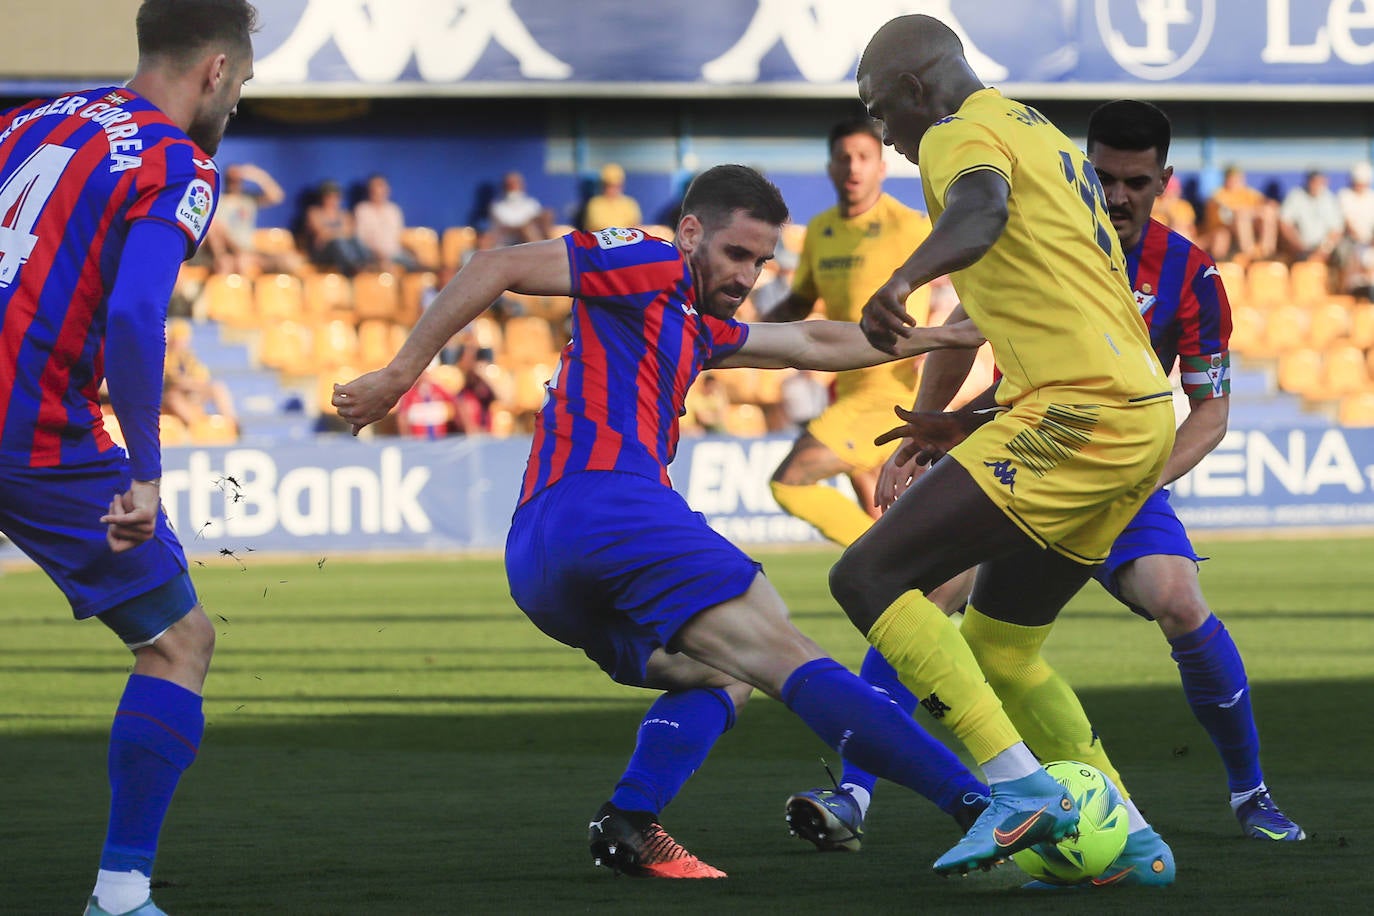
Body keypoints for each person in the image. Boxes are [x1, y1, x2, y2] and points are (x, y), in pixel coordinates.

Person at [333, 164, 995, 879]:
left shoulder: (695, 325)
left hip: (540, 555)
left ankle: (631, 817)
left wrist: (939, 339)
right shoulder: (648, 261)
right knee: (786, 653)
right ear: (689, 232)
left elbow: (811, 343)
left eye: (762, 261)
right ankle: (984, 805)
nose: (748, 275)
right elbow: (497, 263)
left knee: (719, 675)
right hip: (612, 506)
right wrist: (401, 373)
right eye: (736, 254)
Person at [793, 98, 1306, 861]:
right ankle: (858, 790)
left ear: (1163, 180)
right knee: (926, 590)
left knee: (1177, 598)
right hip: (1030, 451)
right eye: (1103, 177)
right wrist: (929, 421)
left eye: (1136, 182)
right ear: (1082, 169)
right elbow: (967, 331)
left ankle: (1249, 791)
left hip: (1122, 468)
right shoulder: (1040, 235)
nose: (1118, 195)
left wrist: (1140, 479)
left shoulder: (1190, 274)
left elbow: (1210, 412)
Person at [821, 15, 1180, 879]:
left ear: (915, 90)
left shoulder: (955, 134)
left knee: (864, 577)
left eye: (878, 111)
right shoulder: (1037, 130)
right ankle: (1132, 838)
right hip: (1134, 412)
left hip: (1078, 412)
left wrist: (902, 279)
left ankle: (1016, 788)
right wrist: (969, 418)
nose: (881, 134)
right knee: (1003, 648)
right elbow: (1054, 297)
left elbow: (980, 212)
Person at [0, 3, 257, 915]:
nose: (236, 106)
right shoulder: (176, 161)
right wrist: (146, 471)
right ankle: (119, 892)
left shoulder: (32, 120)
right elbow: (136, 314)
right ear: (216, 71)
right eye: (244, 87)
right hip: (34, 434)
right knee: (178, 641)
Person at [204, 162, 302, 274]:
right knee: (240, 262)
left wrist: (257, 175)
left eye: (237, 179)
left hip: (250, 250)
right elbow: (214, 229)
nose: (234, 182)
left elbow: (277, 196)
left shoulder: (248, 199)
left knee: (291, 261)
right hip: (232, 251)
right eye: (231, 178)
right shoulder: (219, 201)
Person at [163, 318, 239, 439]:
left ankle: (232, 425)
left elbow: (202, 377)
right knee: (174, 398)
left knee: (217, 388)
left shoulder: (188, 357)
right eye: (179, 339)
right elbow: (170, 381)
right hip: (170, 397)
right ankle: (199, 428)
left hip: (190, 392)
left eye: (184, 339)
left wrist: (193, 385)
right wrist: (188, 384)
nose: (182, 343)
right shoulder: (165, 356)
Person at [1201, 165, 1279, 264]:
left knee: (1268, 212)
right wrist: (1250, 212)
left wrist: (1259, 210)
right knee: (1242, 215)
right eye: (1232, 178)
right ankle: (1249, 254)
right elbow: (1227, 216)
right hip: (1225, 230)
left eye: (1238, 178)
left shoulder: (1249, 194)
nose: (1236, 181)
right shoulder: (1219, 194)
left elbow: (1268, 206)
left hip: (1250, 228)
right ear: (1226, 179)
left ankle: (1267, 253)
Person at [354, 172, 420, 272]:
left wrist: (411, 250)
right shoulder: (362, 210)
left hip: (395, 254)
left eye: (381, 186)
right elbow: (360, 239)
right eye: (374, 187)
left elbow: (399, 236)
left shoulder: (394, 210)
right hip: (372, 256)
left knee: (418, 267)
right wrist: (378, 254)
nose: (378, 190)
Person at [1278, 169, 1346, 265]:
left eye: (1320, 182)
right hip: (1299, 248)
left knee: (1345, 251)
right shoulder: (1296, 196)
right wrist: (1299, 246)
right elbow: (1285, 223)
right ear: (1308, 181)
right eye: (1314, 181)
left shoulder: (1330, 199)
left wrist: (1323, 249)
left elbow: (1337, 230)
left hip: (1324, 248)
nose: (1316, 185)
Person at [303, 178, 370, 274]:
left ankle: (368, 265)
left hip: (343, 251)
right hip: (321, 254)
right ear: (322, 197)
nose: (332, 200)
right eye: (328, 196)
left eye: (336, 197)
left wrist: (331, 233)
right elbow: (321, 233)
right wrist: (340, 232)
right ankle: (353, 269)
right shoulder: (314, 212)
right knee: (338, 242)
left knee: (355, 239)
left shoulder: (344, 214)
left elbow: (351, 232)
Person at [483, 170, 553, 248]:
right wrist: (526, 226)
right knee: (526, 230)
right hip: (508, 244)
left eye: (515, 183)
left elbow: (537, 222)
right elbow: (509, 227)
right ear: (504, 186)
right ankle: (542, 251)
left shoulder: (531, 203)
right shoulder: (497, 206)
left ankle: (546, 250)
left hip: (531, 240)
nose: (513, 186)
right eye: (509, 184)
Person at [1339, 161, 1374, 297]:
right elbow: (1348, 223)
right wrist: (1361, 240)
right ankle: (1350, 291)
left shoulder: (1372, 197)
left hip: (1369, 243)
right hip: (1352, 242)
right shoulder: (1345, 195)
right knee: (1349, 252)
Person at [582, 162, 643, 233]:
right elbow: (595, 229)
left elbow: (636, 228)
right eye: (609, 185)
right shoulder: (594, 203)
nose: (613, 189)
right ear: (602, 185)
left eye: (617, 185)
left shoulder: (630, 203)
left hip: (626, 242)